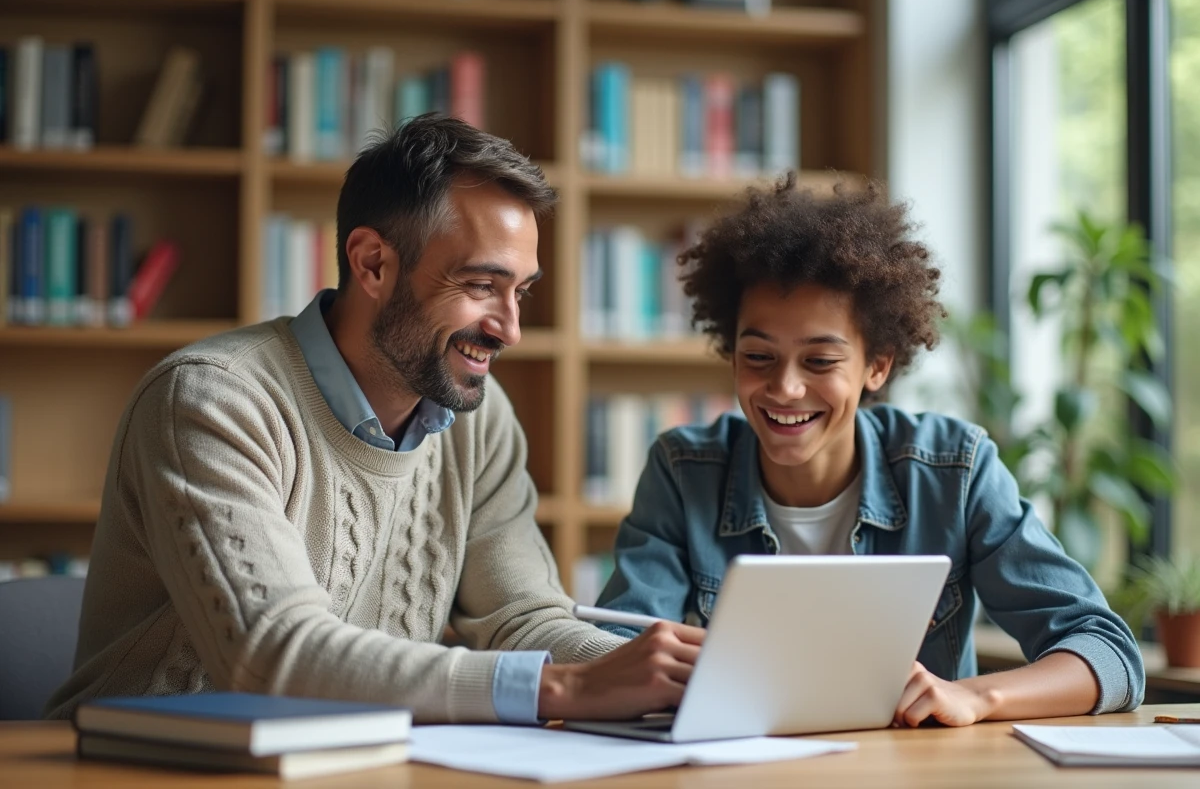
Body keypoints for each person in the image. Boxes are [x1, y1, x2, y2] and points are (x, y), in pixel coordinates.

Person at [47, 114, 703, 723]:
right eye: (481, 286)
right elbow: (272, 653)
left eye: (520, 292)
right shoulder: (212, 400)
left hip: (357, 761)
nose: (510, 329)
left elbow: (523, 618)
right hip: (140, 766)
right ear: (373, 264)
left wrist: (681, 679)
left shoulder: (478, 416)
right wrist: (566, 689)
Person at [593, 175, 1145, 727]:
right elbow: (615, 652)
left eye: (820, 361)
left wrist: (976, 698)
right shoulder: (683, 471)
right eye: (758, 357)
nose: (785, 388)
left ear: (876, 366)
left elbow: (1109, 653)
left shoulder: (954, 471)